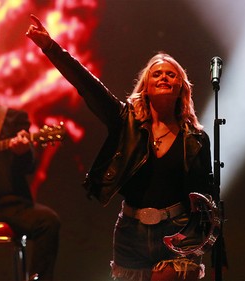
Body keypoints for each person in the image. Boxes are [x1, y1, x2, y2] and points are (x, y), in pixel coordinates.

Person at [26, 14, 217, 281]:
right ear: (146, 88)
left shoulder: (196, 139)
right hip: (131, 232)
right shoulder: (125, 121)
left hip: (176, 233)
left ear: (181, 88)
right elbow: (87, 85)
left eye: (171, 75)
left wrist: (197, 237)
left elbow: (205, 197)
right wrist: (50, 47)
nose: (163, 77)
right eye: (157, 74)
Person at [0, 50, 61, 281]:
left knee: (49, 222)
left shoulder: (14, 119)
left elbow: (29, 167)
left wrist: (23, 151)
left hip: (8, 204)